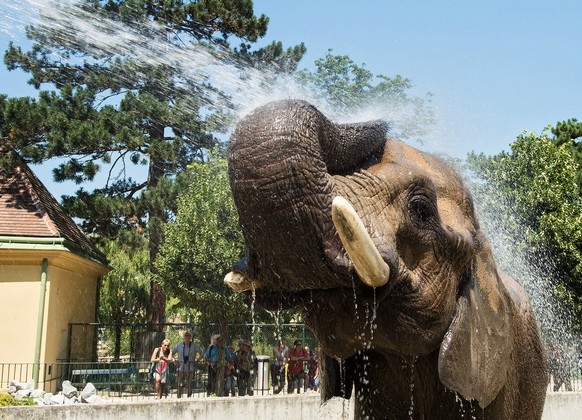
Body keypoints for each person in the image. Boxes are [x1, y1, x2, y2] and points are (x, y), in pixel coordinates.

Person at [172, 331, 203, 398]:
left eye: (188, 336)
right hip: (181, 367)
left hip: (190, 367)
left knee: (190, 384)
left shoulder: (194, 345)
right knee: (180, 384)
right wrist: (175, 360)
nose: (187, 337)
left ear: (190, 337)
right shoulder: (179, 345)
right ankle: (179, 398)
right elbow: (171, 353)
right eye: (186, 335)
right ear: (183, 337)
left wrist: (197, 361)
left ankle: (189, 398)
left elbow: (202, 352)